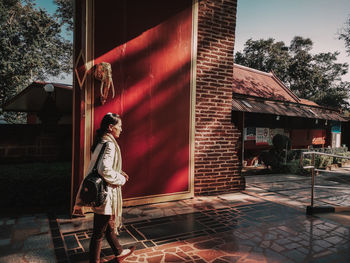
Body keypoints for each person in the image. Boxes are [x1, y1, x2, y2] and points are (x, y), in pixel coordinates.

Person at [73, 113, 135, 263]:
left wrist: (118, 171)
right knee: (98, 232)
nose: (121, 129)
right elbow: (104, 169)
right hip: (105, 193)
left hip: (99, 191)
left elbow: (100, 165)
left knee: (107, 225)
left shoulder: (101, 142)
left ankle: (119, 252)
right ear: (110, 127)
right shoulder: (110, 144)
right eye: (119, 126)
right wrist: (120, 179)